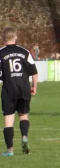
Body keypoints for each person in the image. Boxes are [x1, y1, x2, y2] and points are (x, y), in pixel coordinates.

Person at [0, 27, 38, 156]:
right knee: (23, 115)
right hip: (24, 88)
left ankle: (10, 150)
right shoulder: (25, 52)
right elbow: (34, 72)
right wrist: (34, 87)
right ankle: (24, 137)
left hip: (9, 89)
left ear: (3, 38)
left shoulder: (1, 53)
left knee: (8, 120)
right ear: (16, 37)